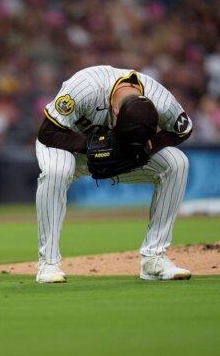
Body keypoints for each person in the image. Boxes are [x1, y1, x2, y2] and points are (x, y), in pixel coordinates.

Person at [35, 65, 193, 283]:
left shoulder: (162, 101)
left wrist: (146, 147)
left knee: (177, 163)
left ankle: (154, 259)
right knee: (56, 172)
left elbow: (184, 129)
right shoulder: (85, 86)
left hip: (120, 154)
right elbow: (47, 132)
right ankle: (48, 263)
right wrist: (92, 147)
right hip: (68, 146)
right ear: (115, 113)